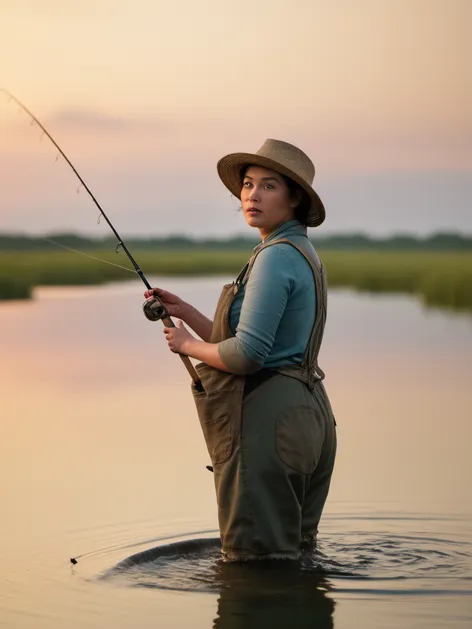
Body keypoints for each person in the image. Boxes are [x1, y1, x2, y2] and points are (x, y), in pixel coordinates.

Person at [144, 139, 337, 561]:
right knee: (296, 557)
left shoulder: (274, 258)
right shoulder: (303, 253)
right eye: (248, 185)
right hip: (311, 416)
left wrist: (187, 344)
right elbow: (257, 341)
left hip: (269, 420)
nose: (252, 195)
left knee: (254, 562)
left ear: (295, 198)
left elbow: (247, 355)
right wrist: (188, 313)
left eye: (269, 186)